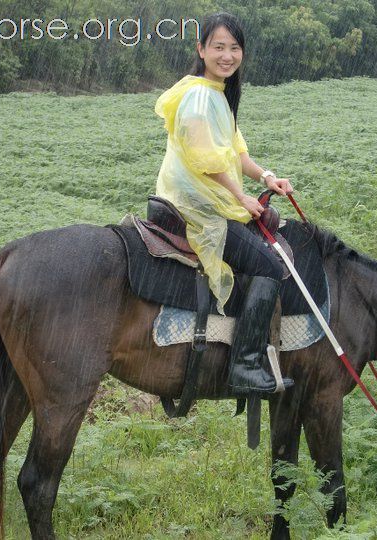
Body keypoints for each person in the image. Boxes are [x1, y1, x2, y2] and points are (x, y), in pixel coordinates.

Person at [154, 12, 294, 396]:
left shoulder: (217, 94)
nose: (227, 55)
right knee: (268, 266)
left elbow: (236, 153)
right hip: (196, 203)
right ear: (201, 49)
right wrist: (240, 196)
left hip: (209, 196)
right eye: (218, 46)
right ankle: (245, 364)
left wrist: (266, 177)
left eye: (234, 48)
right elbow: (204, 159)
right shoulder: (200, 97)